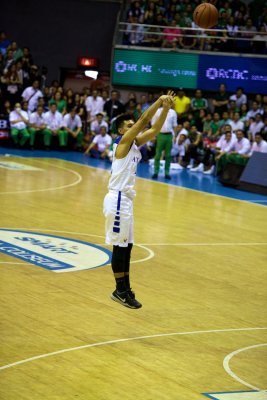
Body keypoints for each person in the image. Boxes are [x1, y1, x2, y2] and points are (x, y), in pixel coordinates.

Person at [103, 91, 175, 309]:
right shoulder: (123, 142)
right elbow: (145, 121)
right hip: (117, 198)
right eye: (129, 124)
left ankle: (125, 288)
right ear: (121, 130)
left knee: (128, 246)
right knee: (119, 246)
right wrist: (160, 101)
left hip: (126, 200)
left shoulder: (134, 143)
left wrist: (165, 109)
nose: (134, 126)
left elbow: (153, 129)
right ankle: (120, 290)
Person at [151, 103, 178, 179]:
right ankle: (156, 172)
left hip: (169, 135)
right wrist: (153, 135)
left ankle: (167, 172)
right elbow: (153, 124)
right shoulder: (158, 111)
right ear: (163, 103)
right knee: (158, 154)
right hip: (160, 134)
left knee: (168, 155)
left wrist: (175, 136)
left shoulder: (173, 112)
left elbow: (175, 125)